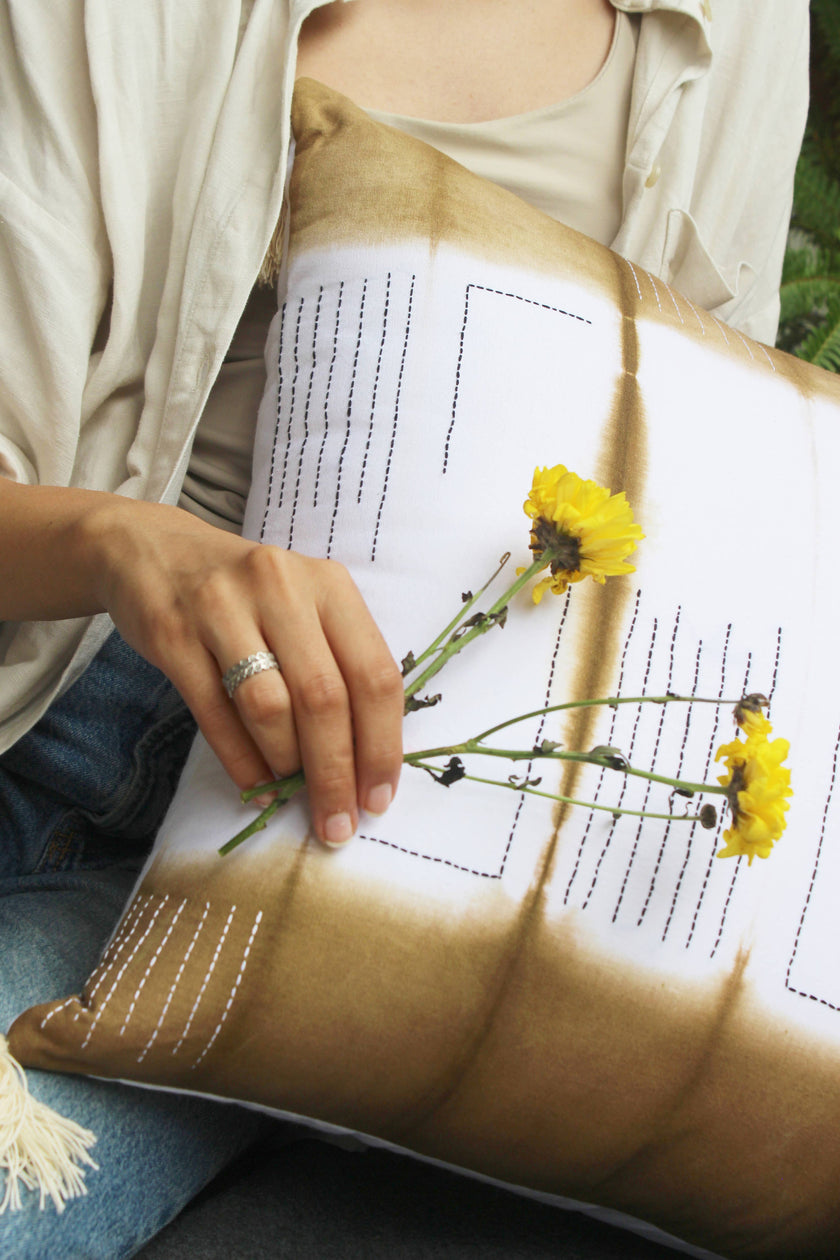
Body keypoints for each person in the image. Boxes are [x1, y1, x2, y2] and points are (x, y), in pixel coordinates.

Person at [0, 1, 809, 1255]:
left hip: (404, 822)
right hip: (64, 713)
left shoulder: (741, 25)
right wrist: (126, 544)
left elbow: (708, 463)